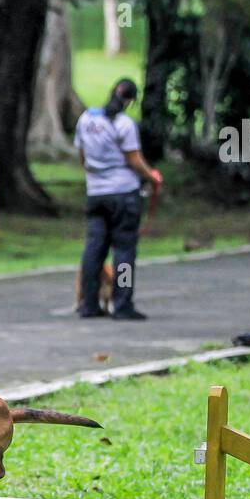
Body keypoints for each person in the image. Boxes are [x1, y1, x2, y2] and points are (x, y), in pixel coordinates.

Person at [74, 78, 162, 320]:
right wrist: (151, 175)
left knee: (93, 250)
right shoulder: (124, 124)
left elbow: (82, 156)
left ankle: (89, 304)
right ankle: (122, 305)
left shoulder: (86, 119)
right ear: (130, 100)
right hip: (123, 194)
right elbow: (134, 159)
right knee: (124, 252)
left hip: (96, 193)